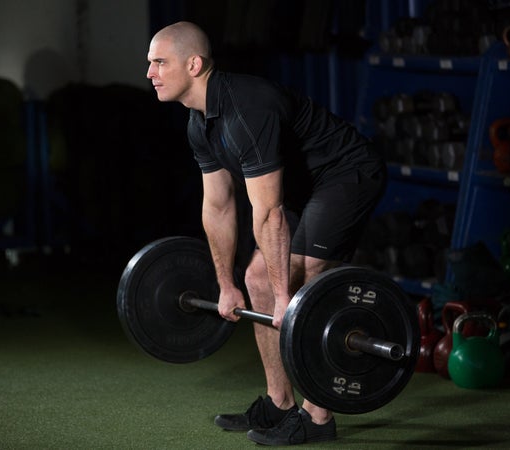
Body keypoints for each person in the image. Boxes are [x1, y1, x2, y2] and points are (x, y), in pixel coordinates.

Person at [145, 21, 387, 446]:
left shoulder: (246, 107)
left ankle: (317, 416)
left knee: (303, 279)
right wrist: (225, 285)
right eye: (150, 64)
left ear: (195, 64)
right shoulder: (199, 123)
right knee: (255, 278)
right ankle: (280, 404)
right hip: (299, 188)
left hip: (346, 173)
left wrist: (283, 299)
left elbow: (270, 213)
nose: (150, 73)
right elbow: (218, 206)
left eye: (160, 62)